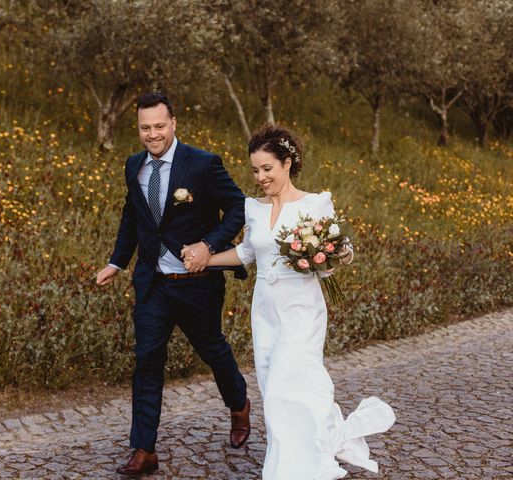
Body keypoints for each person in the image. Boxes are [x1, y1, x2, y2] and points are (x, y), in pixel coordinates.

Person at [182, 123, 396, 479]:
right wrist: (205, 259)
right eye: (255, 170)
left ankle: (291, 469)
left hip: (302, 309)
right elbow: (248, 253)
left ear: (287, 163)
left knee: (286, 383)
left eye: (267, 168)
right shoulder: (253, 208)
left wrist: (334, 254)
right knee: (273, 388)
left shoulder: (315, 204)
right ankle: (311, 440)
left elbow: (343, 251)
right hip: (266, 311)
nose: (260, 177)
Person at [96, 92, 251, 476]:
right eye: (145, 128)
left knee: (212, 350)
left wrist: (209, 245)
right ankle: (144, 449)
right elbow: (133, 216)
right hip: (153, 286)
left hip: (197, 283)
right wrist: (117, 261)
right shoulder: (134, 166)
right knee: (147, 361)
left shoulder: (203, 164)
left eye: (159, 126)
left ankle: (239, 405)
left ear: (174, 123)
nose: (152, 135)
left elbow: (238, 208)